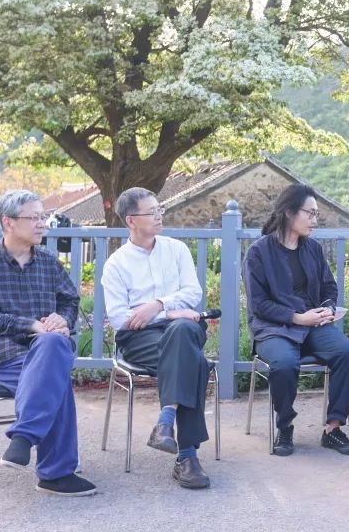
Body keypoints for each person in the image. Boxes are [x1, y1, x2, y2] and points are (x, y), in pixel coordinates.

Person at [0, 190, 96, 496]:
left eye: (42, 217)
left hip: (48, 350)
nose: (42, 224)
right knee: (55, 374)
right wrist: (32, 325)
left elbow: (70, 301)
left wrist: (62, 319)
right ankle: (55, 474)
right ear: (8, 222)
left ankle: (23, 437)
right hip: (3, 358)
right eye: (33, 217)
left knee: (53, 346)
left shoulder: (49, 263)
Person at [101, 188, 212, 489]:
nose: (159, 215)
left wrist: (157, 305)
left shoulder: (176, 250)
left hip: (184, 328)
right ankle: (187, 457)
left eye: (159, 209)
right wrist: (169, 313)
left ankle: (166, 421)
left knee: (183, 332)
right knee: (194, 361)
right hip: (140, 339)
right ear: (131, 220)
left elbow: (193, 292)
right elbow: (121, 319)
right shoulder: (116, 264)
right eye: (151, 212)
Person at [244, 184, 349, 456]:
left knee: (347, 353)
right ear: (289, 212)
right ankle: (285, 427)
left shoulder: (313, 249)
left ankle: (333, 429)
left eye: (316, 214)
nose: (314, 220)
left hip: (313, 325)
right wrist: (297, 318)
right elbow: (259, 304)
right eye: (310, 213)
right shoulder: (258, 252)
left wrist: (327, 309)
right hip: (274, 328)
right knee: (284, 363)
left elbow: (329, 288)